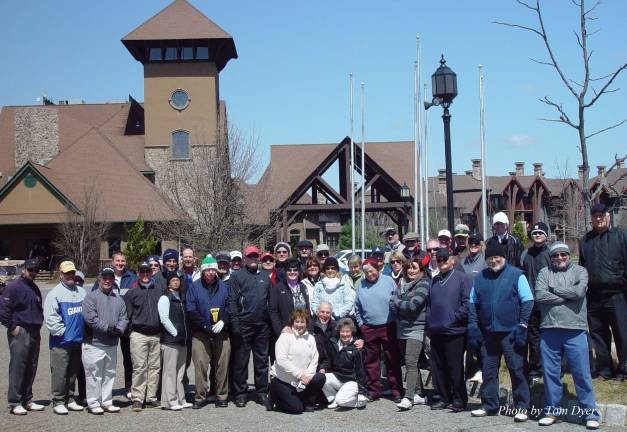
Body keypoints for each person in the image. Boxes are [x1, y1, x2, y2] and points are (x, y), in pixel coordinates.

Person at [535, 242, 600, 429]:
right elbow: (540, 295)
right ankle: (552, 411)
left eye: (563, 254)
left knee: (581, 373)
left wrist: (553, 290)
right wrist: (567, 297)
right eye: (555, 255)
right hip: (549, 329)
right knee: (550, 374)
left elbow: (579, 292)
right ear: (551, 257)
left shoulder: (581, 271)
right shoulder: (544, 273)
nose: (559, 258)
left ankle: (590, 413)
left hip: (575, 330)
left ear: (568, 255)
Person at [468, 242, 533, 422]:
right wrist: (473, 325)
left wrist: (523, 325)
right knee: (488, 371)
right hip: (488, 333)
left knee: (517, 369)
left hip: (511, 332)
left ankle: (522, 407)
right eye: (490, 258)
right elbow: (473, 303)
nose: (494, 261)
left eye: (497, 257)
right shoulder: (480, 278)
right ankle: (490, 405)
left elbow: (527, 300)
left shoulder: (516, 275)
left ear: (503, 257)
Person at [579, 203, 627, 381]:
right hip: (594, 295)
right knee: (598, 334)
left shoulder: (621, 237)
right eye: (595, 216)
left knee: (622, 333)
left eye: (601, 215)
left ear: (608, 216)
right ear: (591, 218)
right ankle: (604, 369)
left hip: (617, 294)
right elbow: (582, 268)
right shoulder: (585, 241)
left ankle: (623, 371)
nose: (598, 218)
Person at [426, 249, 471, 412]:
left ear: (453, 260)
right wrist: (430, 321)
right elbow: (429, 304)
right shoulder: (435, 279)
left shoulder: (462, 278)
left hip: (454, 331)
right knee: (438, 366)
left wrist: (452, 319)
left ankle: (459, 398)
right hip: (436, 330)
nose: (442, 261)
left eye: (445, 259)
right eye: (439, 259)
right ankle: (444, 397)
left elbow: (467, 303)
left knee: (455, 366)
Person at [0, 258, 46, 415]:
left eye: (36, 270)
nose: (33, 273)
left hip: (34, 331)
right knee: (18, 366)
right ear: (23, 270)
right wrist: (12, 327)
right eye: (30, 269)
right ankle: (14, 402)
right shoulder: (13, 287)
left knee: (31, 366)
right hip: (21, 331)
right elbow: (4, 309)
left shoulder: (34, 288)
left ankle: (27, 399)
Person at [228, 245, 271, 408]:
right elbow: (232, 301)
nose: (253, 259)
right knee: (241, 361)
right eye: (250, 256)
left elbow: (270, 300)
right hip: (244, 325)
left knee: (261, 361)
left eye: (255, 256)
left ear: (259, 258)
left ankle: (261, 391)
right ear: (245, 258)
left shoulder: (265, 276)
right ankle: (240, 393)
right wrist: (235, 324)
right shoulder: (237, 276)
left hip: (262, 326)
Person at [82, 267, 128, 415]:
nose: (107, 280)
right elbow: (90, 318)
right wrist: (107, 328)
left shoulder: (118, 299)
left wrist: (120, 329)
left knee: (110, 373)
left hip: (112, 343)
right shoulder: (91, 297)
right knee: (94, 374)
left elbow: (124, 317)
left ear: (114, 280)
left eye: (110, 278)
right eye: (104, 278)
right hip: (94, 343)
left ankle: (107, 401)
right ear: (99, 279)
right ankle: (93, 402)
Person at [355, 258, 402, 402]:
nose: (369, 274)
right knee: (371, 361)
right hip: (369, 328)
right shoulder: (360, 285)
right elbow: (357, 308)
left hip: (388, 325)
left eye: (372, 271)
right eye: (366, 272)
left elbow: (397, 299)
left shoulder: (388, 281)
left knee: (392, 359)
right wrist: (361, 324)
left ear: (377, 269)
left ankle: (396, 390)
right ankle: (374, 390)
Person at [187, 256, 231, 408]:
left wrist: (224, 321)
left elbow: (230, 306)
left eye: (213, 269)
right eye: (207, 270)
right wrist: (205, 326)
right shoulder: (194, 287)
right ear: (203, 271)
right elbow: (191, 310)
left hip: (221, 332)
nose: (211, 273)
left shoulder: (225, 287)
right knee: (200, 366)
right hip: (201, 333)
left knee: (222, 365)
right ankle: (200, 397)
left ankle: (222, 396)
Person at [93, 251, 137, 398]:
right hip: (108, 326)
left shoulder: (132, 278)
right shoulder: (104, 277)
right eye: (117, 261)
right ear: (112, 262)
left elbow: (136, 300)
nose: (120, 263)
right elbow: (95, 298)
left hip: (126, 325)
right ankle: (101, 391)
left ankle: (129, 387)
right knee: (104, 360)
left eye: (122, 261)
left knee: (129, 358)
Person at [44, 260, 86, 415]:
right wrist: (63, 331)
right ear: (61, 274)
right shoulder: (54, 294)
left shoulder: (81, 292)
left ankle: (70, 398)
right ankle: (58, 400)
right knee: (60, 372)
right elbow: (50, 317)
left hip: (77, 340)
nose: (70, 276)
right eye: (67, 273)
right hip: (60, 341)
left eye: (72, 273)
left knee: (73, 372)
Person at [390, 257, 430, 410]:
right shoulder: (402, 283)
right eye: (409, 268)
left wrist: (398, 303)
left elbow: (413, 305)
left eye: (414, 268)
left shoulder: (424, 283)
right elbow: (391, 300)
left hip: (416, 329)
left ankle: (409, 397)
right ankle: (420, 394)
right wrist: (399, 304)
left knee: (411, 363)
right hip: (402, 329)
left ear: (420, 270)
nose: (411, 271)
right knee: (410, 364)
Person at [268, 309, 325, 413]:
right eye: (297, 322)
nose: (299, 325)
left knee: (320, 378)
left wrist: (307, 376)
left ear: (307, 323)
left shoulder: (311, 338)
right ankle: (274, 393)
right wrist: (300, 375)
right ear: (292, 323)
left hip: (301, 382)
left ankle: (307, 403)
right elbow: (281, 360)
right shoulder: (285, 336)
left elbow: (314, 359)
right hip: (283, 380)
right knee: (296, 409)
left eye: (302, 322)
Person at [125, 261, 162, 411]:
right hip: (139, 334)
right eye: (142, 271)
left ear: (152, 272)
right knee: (139, 367)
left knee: (154, 367)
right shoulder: (132, 292)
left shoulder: (159, 290)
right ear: (138, 273)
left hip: (156, 334)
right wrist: (130, 332)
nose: (145, 274)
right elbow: (127, 315)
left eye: (148, 271)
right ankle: (138, 398)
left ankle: (151, 397)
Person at [521, 221, 551, 382]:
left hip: (548, 301)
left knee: (550, 337)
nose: (537, 235)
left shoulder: (551, 253)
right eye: (535, 233)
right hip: (531, 301)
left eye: (540, 233)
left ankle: (552, 367)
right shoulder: (526, 254)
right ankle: (535, 368)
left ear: (546, 236)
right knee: (534, 337)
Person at [158, 274, 192, 411]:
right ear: (168, 283)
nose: (176, 282)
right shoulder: (165, 298)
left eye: (178, 280)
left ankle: (180, 399)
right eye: (173, 280)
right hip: (171, 340)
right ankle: (169, 401)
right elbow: (164, 318)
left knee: (180, 373)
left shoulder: (182, 297)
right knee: (170, 372)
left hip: (183, 341)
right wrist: (175, 332)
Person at [320, 318, 368, 409]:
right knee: (320, 378)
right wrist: (322, 368)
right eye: (342, 331)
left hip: (351, 381)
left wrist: (362, 392)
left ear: (352, 332)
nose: (345, 334)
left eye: (347, 332)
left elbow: (361, 371)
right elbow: (328, 361)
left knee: (341, 401)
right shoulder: (333, 342)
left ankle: (358, 402)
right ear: (339, 332)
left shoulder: (356, 347)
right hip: (338, 377)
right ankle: (334, 398)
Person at [461, 233, 487, 384]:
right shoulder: (463, 261)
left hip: (480, 305)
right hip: (465, 305)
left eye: (476, 242)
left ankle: (483, 369)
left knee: (481, 339)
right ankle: (470, 369)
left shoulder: (485, 261)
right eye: (471, 241)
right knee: (468, 340)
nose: (473, 244)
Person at [269, 258, 311, 339]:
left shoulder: (303, 287)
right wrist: (280, 329)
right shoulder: (278, 288)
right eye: (289, 270)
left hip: (303, 330)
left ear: (299, 272)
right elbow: (273, 311)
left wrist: (309, 328)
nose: (292, 272)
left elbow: (307, 309)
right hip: (287, 332)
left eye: (295, 270)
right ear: (285, 271)